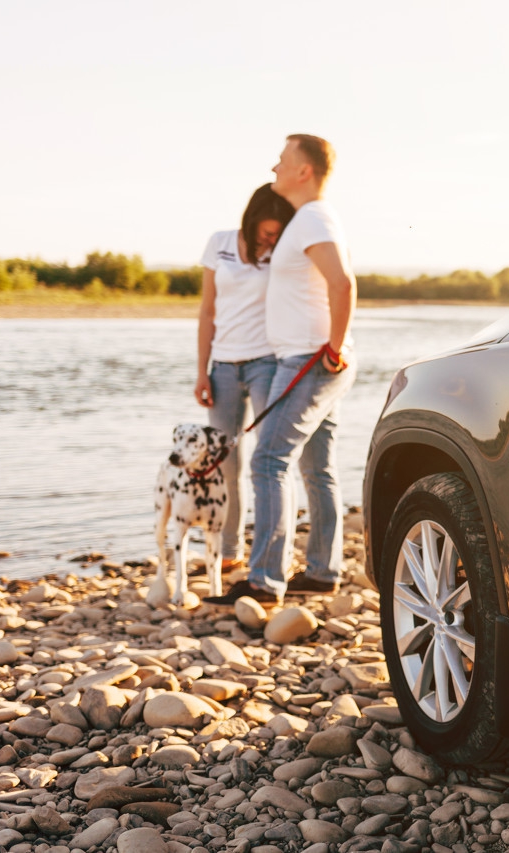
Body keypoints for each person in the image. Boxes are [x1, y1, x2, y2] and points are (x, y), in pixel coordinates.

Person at [207, 134, 357, 606]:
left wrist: (333, 347)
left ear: (303, 171)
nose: (275, 166)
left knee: (268, 460)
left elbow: (342, 283)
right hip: (310, 358)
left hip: (309, 360)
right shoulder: (308, 219)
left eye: (282, 159)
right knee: (317, 468)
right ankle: (322, 572)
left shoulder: (312, 217)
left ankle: (265, 581)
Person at [194, 184, 295, 572]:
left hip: (266, 363)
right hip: (222, 367)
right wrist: (201, 371)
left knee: (269, 459)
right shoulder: (219, 243)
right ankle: (228, 550)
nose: (270, 239)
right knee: (225, 463)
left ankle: (275, 554)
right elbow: (207, 311)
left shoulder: (281, 252)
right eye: (266, 232)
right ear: (252, 220)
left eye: (277, 234)